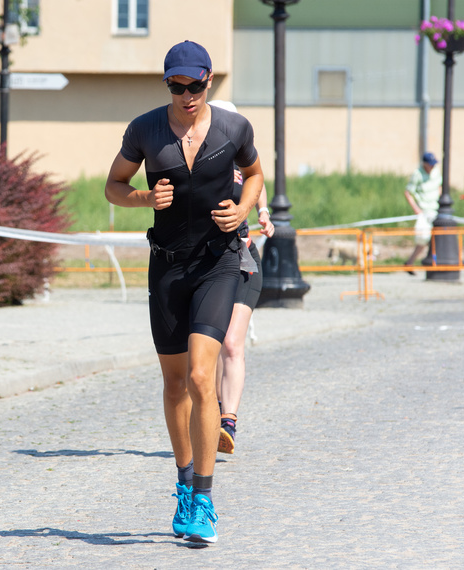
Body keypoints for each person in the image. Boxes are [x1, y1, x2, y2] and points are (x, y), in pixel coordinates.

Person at [105, 41, 263, 544]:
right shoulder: (144, 129)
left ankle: (204, 497)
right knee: (174, 383)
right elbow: (112, 185)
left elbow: (256, 175)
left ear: (209, 82)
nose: (187, 94)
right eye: (177, 86)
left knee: (201, 375)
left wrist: (243, 211)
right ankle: (182, 480)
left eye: (195, 85)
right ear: (168, 84)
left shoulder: (234, 128)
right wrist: (144, 197)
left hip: (218, 264)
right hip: (168, 267)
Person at [207, 100, 275, 455]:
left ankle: (228, 422)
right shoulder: (195, 162)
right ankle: (213, 413)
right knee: (210, 345)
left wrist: (262, 212)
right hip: (206, 263)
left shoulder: (241, 157)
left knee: (233, 343)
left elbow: (255, 178)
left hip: (244, 258)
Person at [403, 152, 442, 274]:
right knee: (423, 239)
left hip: (436, 209)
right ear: (424, 164)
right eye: (430, 165)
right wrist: (416, 209)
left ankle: (443, 262)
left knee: (444, 236)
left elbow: (439, 186)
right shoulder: (417, 174)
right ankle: (410, 262)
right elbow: (408, 192)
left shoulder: (436, 172)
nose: (432, 167)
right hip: (424, 212)